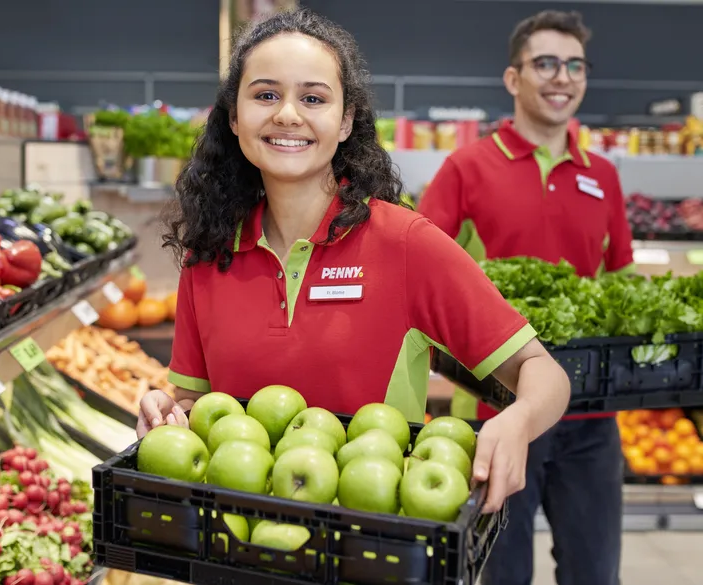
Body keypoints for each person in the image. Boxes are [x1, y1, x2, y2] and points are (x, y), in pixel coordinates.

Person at [135, 8, 571, 514]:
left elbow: (544, 373)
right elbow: (197, 405)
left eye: (313, 98)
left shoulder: (405, 243)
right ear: (234, 117)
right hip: (239, 541)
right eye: (266, 95)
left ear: (345, 122)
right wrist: (168, 415)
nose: (288, 115)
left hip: (374, 543)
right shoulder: (208, 254)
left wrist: (516, 422)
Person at [418, 10, 632, 585]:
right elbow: (419, 271)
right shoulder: (465, 168)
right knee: (499, 572)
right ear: (514, 79)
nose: (562, 77)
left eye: (575, 66)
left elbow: (620, 282)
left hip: (592, 412)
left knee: (594, 572)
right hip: (497, 409)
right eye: (546, 63)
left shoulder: (603, 176)